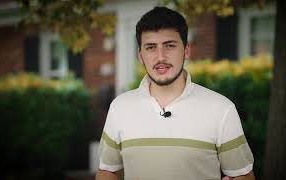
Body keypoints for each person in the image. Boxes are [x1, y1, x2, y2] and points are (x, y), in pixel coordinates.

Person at [96, 6, 255, 180]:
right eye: (150, 47)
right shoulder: (120, 107)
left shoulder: (222, 109)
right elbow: (107, 171)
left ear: (186, 50)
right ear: (140, 56)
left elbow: (244, 175)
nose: (160, 57)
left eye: (169, 46)